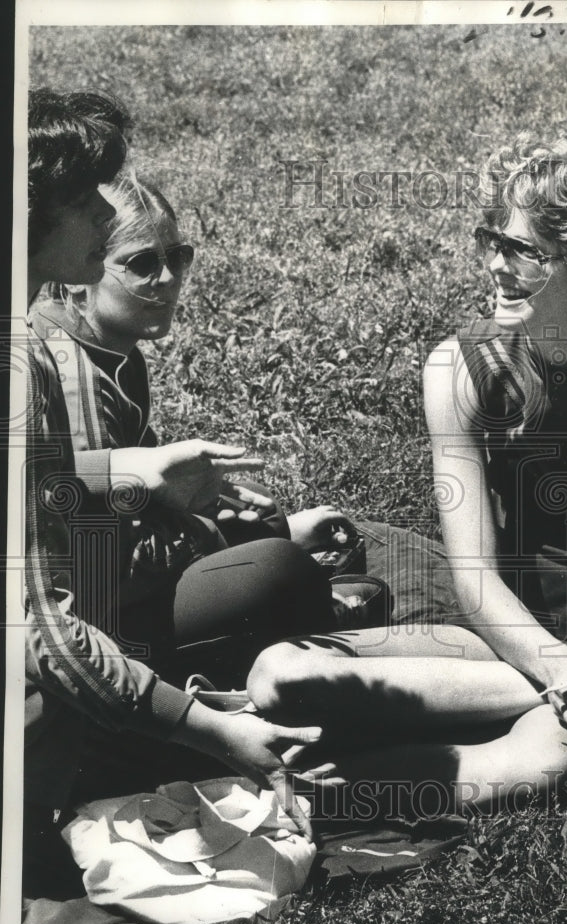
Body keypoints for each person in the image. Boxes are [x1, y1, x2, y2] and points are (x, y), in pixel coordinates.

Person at [245, 125, 567, 814]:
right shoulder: (461, 369)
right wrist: (563, 670)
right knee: (278, 676)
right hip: (502, 634)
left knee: (540, 759)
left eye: (524, 251)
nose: (496, 265)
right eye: (493, 240)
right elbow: (474, 583)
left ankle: (305, 793)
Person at [22, 88, 330, 899]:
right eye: (85, 199)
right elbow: (65, 605)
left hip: (82, 638)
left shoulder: (86, 355)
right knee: (283, 574)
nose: (165, 279)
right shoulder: (42, 364)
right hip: (78, 659)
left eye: (177, 258)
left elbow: (49, 495)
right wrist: (212, 734)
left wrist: (144, 480)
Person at [29, 169, 388, 692]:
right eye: (143, 264)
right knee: (274, 567)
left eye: (178, 256)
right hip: (92, 626)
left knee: (251, 502)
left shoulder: (112, 350)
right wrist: (242, 533)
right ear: (84, 269)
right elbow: (100, 572)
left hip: (107, 579)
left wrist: (211, 506)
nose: (169, 278)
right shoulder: (76, 376)